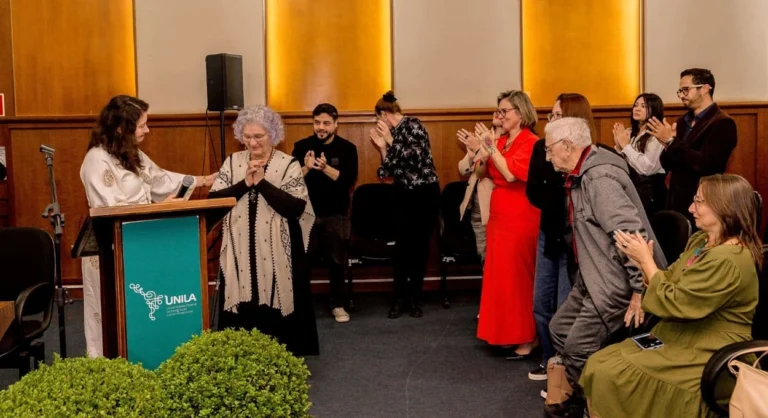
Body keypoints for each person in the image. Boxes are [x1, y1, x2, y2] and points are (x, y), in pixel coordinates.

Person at [582, 174, 761, 418]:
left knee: (611, 373)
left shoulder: (730, 259)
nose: (691, 208)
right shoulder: (701, 242)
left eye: (699, 202)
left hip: (711, 348)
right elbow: (670, 279)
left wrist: (646, 261)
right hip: (682, 332)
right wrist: (643, 263)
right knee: (600, 362)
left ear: (724, 207)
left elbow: (676, 301)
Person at [543, 117, 667, 417]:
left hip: (616, 284)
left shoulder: (598, 179)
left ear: (567, 146)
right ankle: (591, 395)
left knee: (577, 349)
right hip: (593, 277)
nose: (547, 157)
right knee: (558, 330)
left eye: (549, 149)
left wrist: (639, 290)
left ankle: (603, 407)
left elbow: (631, 236)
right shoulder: (581, 173)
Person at [80, 95, 216, 357]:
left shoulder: (131, 153)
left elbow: (160, 179)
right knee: (116, 313)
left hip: (141, 244)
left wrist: (203, 180)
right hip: (112, 250)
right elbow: (111, 209)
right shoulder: (97, 160)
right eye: (142, 125)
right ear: (122, 128)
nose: (147, 130)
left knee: (143, 310)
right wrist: (158, 208)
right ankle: (111, 362)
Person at [208, 105, 319, 356]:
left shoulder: (288, 164)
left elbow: (295, 207)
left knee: (277, 307)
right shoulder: (232, 162)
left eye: (259, 136)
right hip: (239, 251)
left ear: (273, 134)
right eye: (247, 136)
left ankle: (281, 357)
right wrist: (245, 184)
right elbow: (214, 202)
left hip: (280, 252)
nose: (252, 142)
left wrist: (262, 184)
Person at [526, 93, 595, 381]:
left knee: (566, 303)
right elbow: (533, 191)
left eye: (558, 115)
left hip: (575, 239)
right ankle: (547, 358)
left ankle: (566, 366)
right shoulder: (542, 148)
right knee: (541, 301)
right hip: (549, 231)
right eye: (551, 115)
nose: (551, 121)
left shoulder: (590, 158)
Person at [474, 90, 540, 357]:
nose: (500, 116)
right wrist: (482, 154)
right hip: (499, 216)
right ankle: (505, 334)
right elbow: (482, 173)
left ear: (521, 114)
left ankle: (528, 337)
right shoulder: (500, 141)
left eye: (504, 111)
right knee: (500, 278)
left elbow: (511, 175)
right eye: (499, 111)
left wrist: (491, 148)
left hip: (521, 215)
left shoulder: (531, 142)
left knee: (519, 278)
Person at [369, 90, 440, 319]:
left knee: (420, 248)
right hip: (402, 195)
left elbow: (415, 157)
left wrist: (390, 141)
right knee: (401, 248)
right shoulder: (393, 134)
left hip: (424, 194)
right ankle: (399, 298)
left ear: (384, 114)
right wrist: (383, 148)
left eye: (378, 118)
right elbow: (386, 172)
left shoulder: (413, 125)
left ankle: (415, 298)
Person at [292, 103, 358, 323]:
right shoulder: (301, 147)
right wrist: (307, 167)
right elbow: (291, 181)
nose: (321, 127)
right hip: (305, 214)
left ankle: (337, 305)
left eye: (326, 123)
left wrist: (325, 168)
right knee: (302, 261)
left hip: (335, 214)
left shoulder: (347, 149)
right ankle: (300, 305)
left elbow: (348, 181)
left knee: (337, 261)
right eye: (317, 122)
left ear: (335, 124)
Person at [649, 68, 737, 227]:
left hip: (704, 201)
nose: (682, 95)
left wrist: (671, 142)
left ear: (704, 89)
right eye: (680, 91)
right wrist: (666, 145)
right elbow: (667, 164)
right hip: (675, 200)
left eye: (686, 90)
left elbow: (707, 165)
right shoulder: (682, 121)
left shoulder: (722, 123)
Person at [456, 111, 504, 261]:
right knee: (484, 254)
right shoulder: (484, 137)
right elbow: (462, 169)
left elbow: (496, 171)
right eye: (497, 110)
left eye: (502, 111)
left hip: (492, 208)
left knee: (494, 256)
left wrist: (478, 150)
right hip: (474, 208)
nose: (497, 114)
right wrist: (471, 155)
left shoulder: (506, 141)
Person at [613, 93, 667, 217]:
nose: (637, 109)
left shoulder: (656, 135)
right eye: (636, 105)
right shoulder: (630, 133)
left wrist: (625, 146)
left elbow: (647, 168)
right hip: (631, 187)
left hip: (651, 192)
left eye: (643, 106)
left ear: (654, 110)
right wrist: (619, 148)